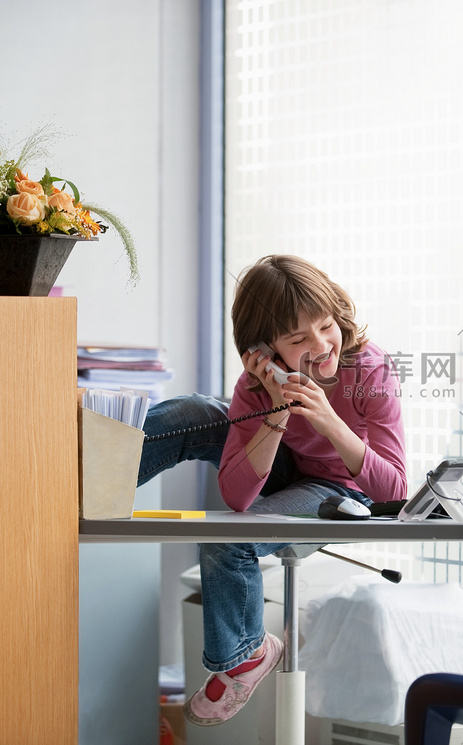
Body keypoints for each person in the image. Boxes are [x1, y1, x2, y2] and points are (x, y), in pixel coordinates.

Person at [139, 255, 407, 727]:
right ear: (266, 349)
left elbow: (394, 488)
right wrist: (278, 410)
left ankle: (246, 654)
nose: (322, 345)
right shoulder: (255, 386)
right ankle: (82, 476)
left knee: (228, 540)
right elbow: (238, 497)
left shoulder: (369, 367)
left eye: (326, 327)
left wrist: (326, 416)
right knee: (193, 410)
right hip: (282, 465)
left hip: (343, 487)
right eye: (299, 339)